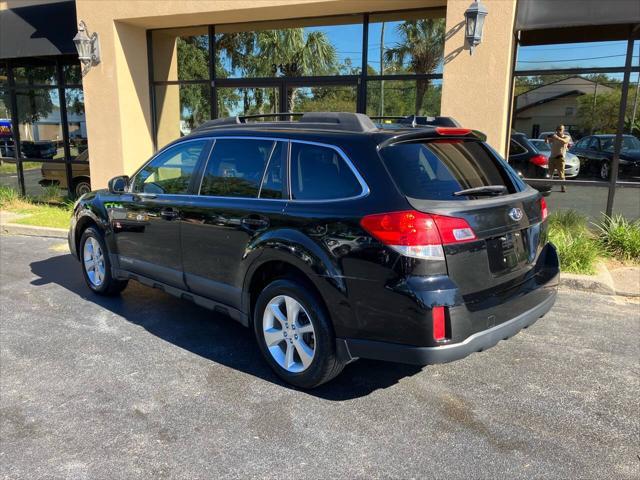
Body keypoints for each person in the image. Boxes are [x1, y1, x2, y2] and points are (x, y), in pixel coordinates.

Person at [546, 125, 571, 192]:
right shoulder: (554, 137)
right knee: (550, 174)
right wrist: (547, 138)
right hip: (552, 157)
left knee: (561, 174)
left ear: (563, 130)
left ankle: (563, 187)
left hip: (560, 158)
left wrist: (557, 137)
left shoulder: (566, 137)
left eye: (560, 129)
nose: (558, 131)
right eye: (557, 129)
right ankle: (549, 187)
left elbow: (565, 142)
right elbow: (547, 142)